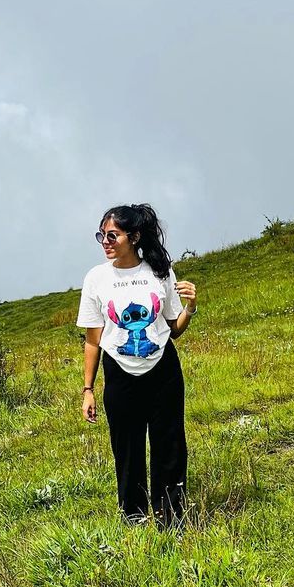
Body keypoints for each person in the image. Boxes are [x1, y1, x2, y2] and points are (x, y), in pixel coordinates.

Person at [77, 204, 198, 527]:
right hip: (119, 372)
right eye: (101, 235)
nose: (106, 241)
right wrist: (88, 389)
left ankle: (170, 518)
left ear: (134, 237)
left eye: (112, 235)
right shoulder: (96, 279)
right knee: (126, 448)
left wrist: (191, 307)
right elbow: (92, 340)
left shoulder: (159, 271)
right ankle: (134, 517)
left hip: (163, 371)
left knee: (169, 444)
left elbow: (174, 329)